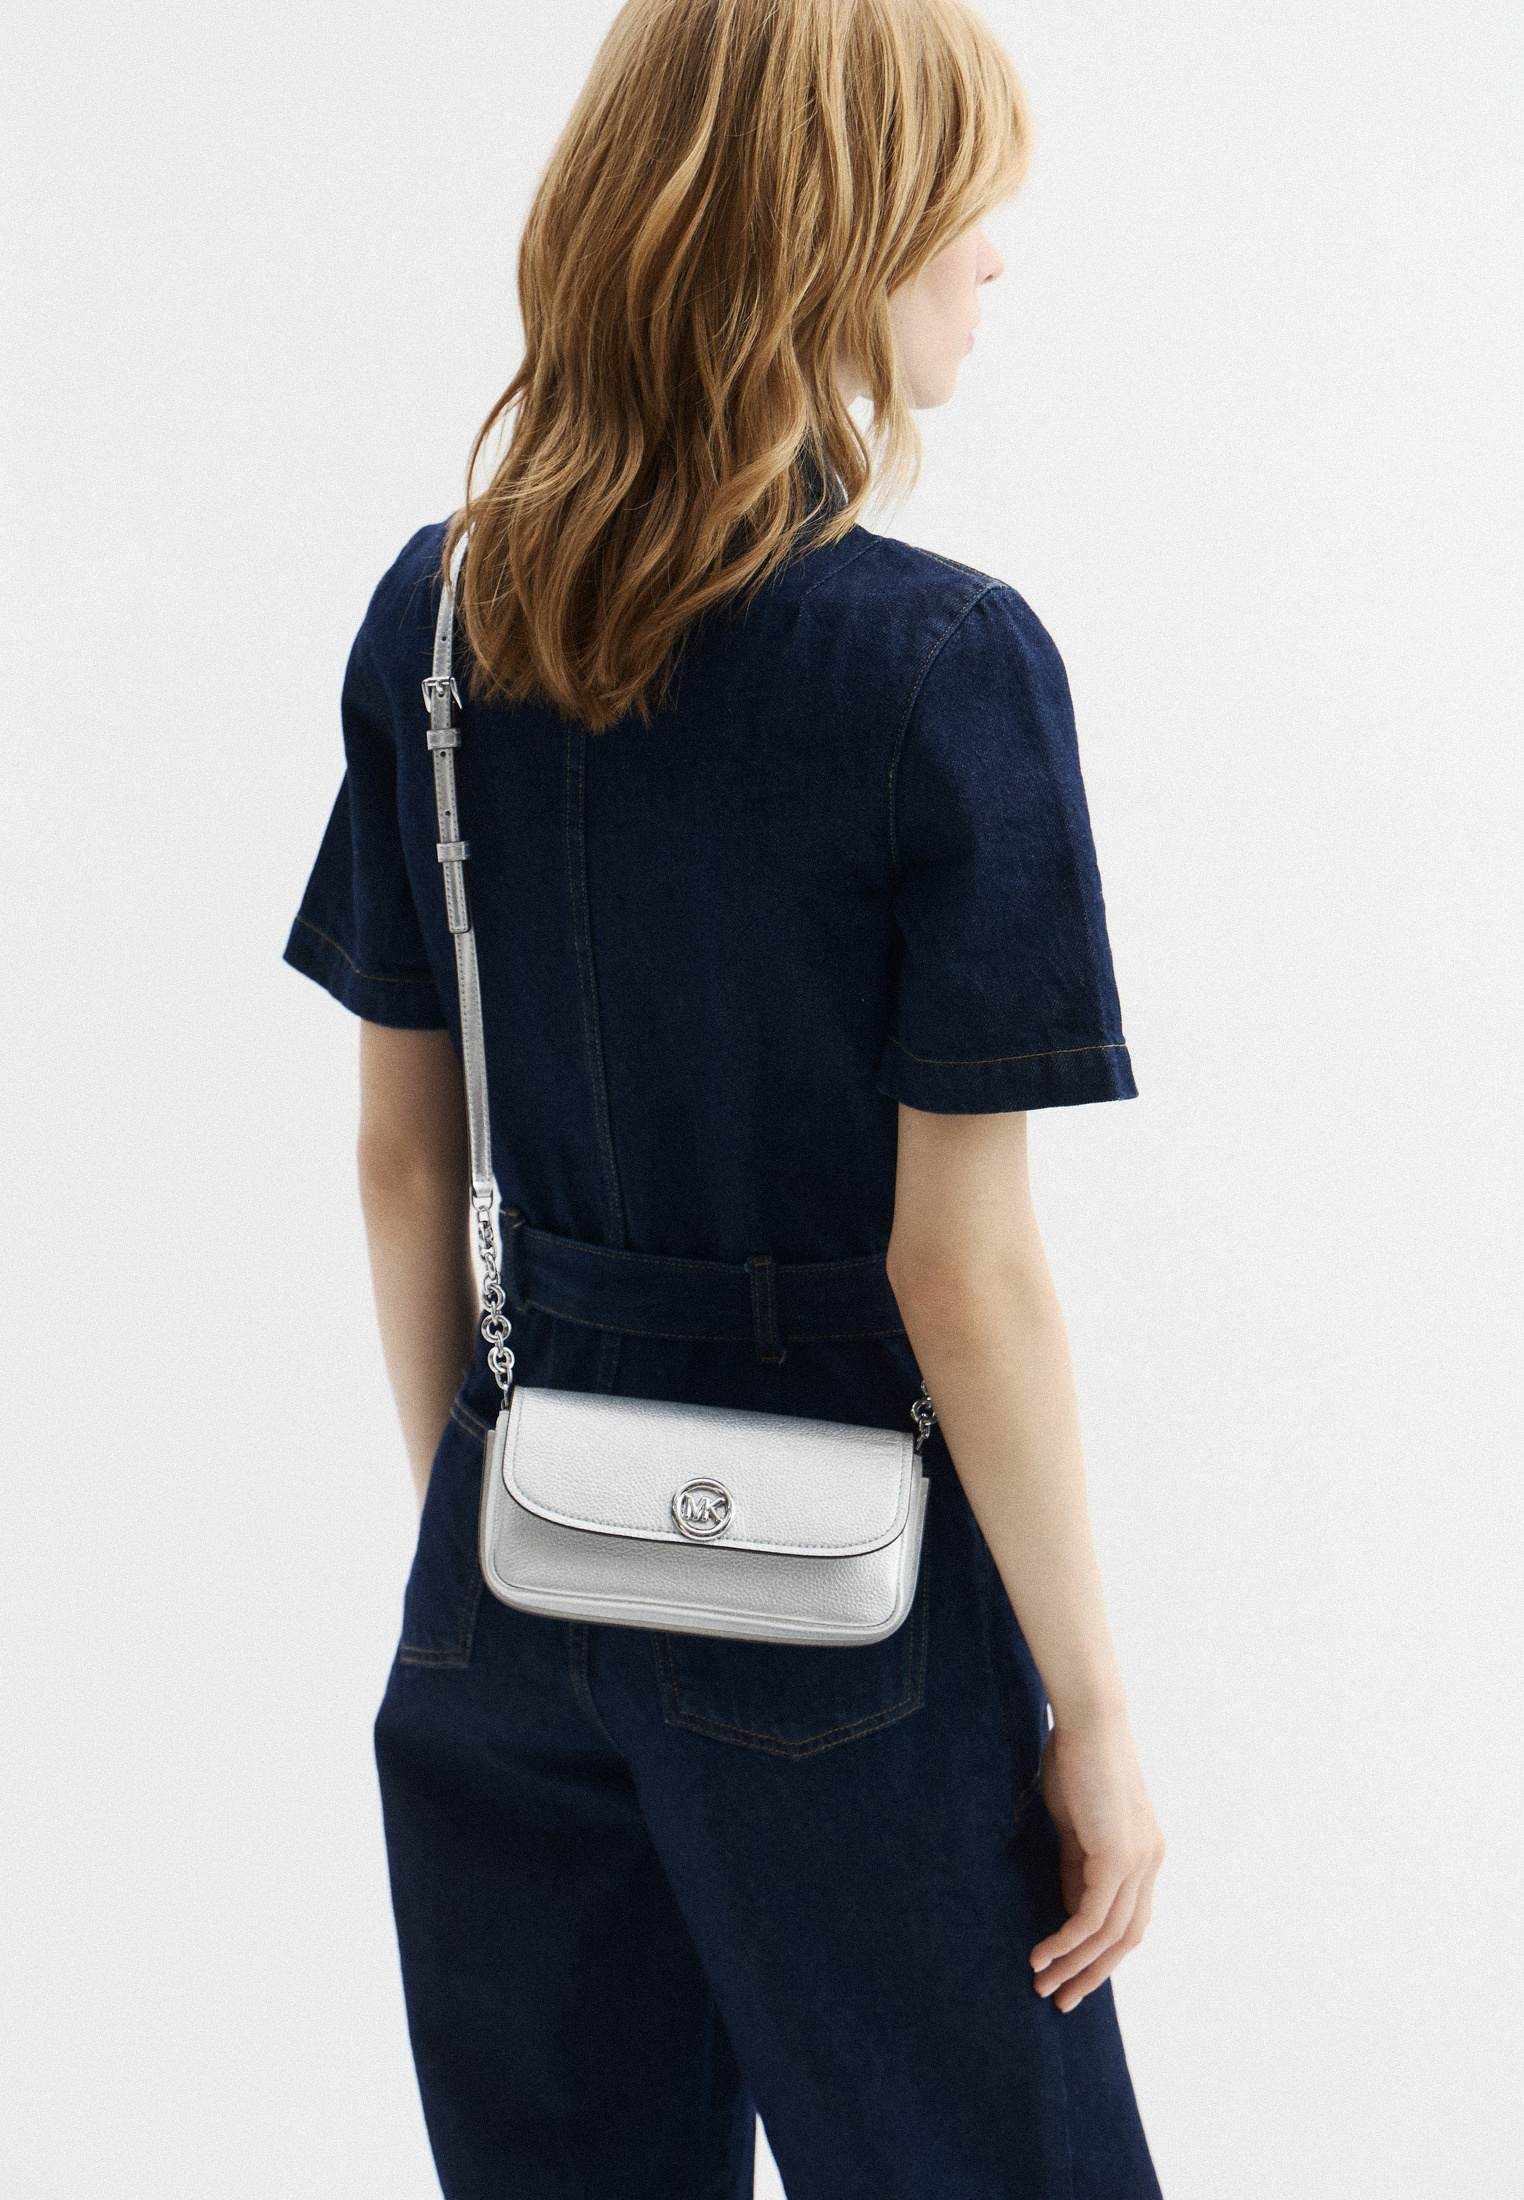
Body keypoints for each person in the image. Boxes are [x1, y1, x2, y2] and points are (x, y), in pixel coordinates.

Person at [281, 0, 1167, 2192]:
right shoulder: (949, 668)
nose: (995, 253)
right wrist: (1097, 1713)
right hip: (849, 1609)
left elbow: (403, 1162)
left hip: (511, 1571)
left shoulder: (438, 622)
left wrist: (505, 1530)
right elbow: (962, 1271)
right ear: (836, 227)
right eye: (964, 201)